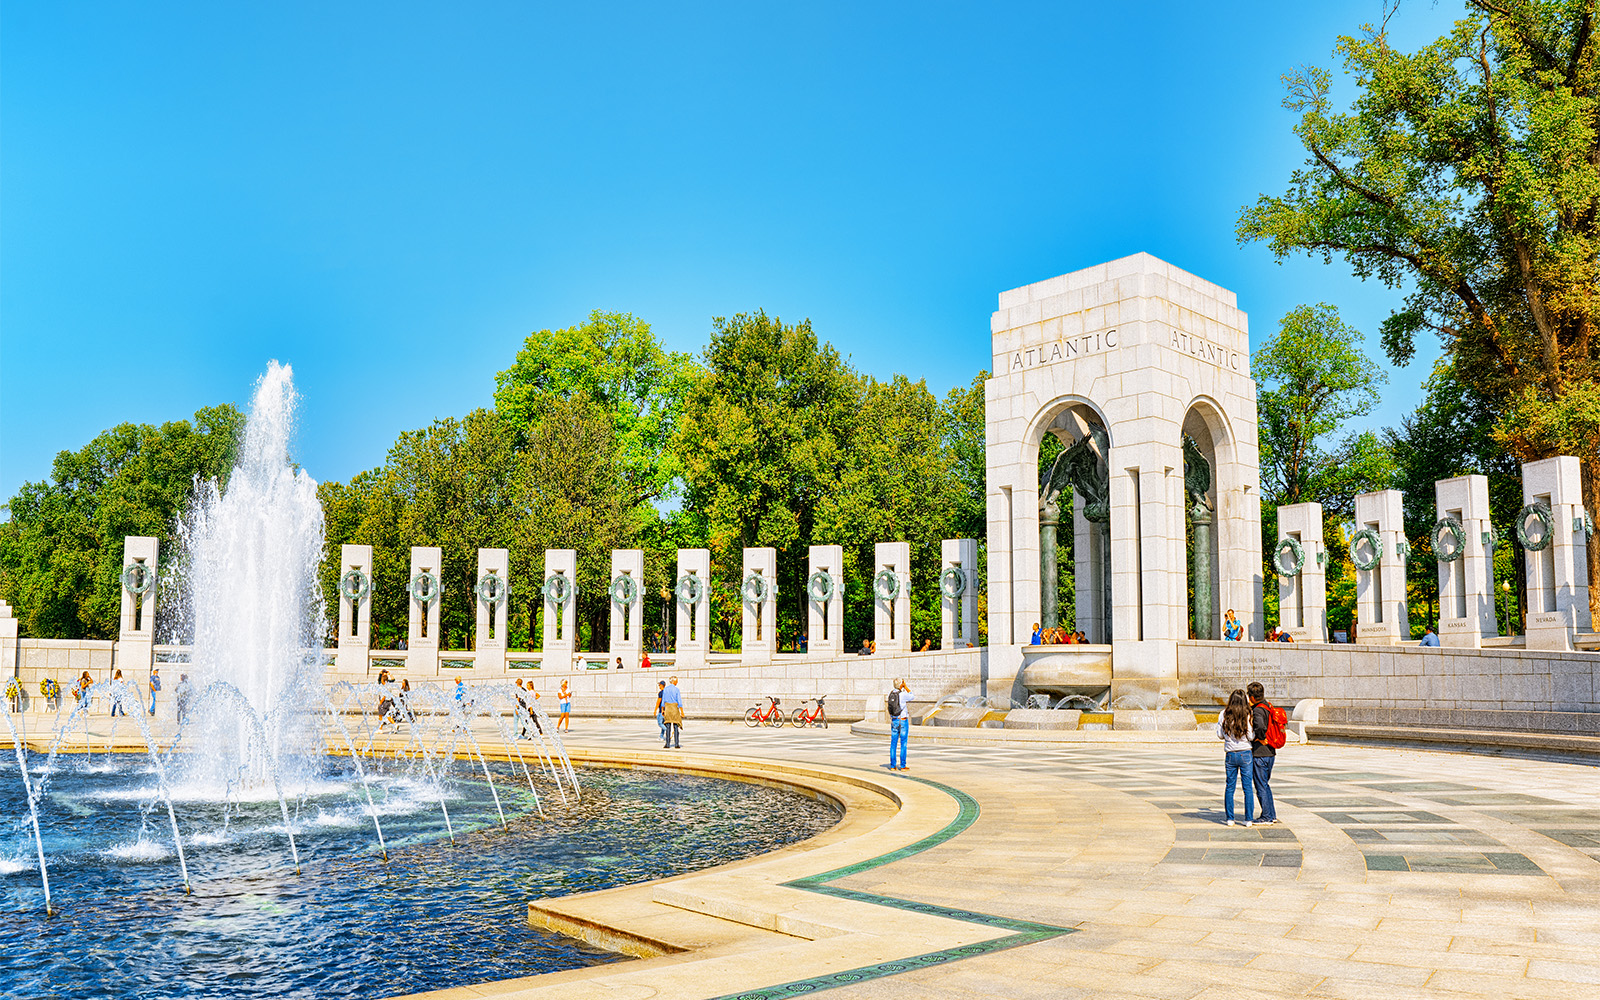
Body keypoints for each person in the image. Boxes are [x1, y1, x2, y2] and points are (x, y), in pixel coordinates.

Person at [1215, 688, 1254, 827]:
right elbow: (1250, 736)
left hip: (1231, 753)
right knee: (1247, 788)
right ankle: (1248, 819)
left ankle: (1230, 818)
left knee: (1230, 787)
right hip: (1245, 752)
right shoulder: (1247, 714)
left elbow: (1220, 735)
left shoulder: (1223, 714)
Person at [1247, 681, 1278, 825]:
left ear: (1252, 697)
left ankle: (1266, 816)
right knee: (1265, 785)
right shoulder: (1268, 705)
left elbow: (1260, 726)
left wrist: (1260, 737)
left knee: (1260, 786)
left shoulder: (1258, 710)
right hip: (1270, 752)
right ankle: (1271, 814)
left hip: (1260, 753)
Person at [887, 678, 914, 771]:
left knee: (893, 743)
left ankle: (892, 766)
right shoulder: (902, 694)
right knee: (903, 743)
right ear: (901, 685)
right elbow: (912, 696)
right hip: (902, 720)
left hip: (894, 720)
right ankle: (903, 766)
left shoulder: (891, 694)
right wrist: (906, 687)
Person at [661, 676, 683, 749]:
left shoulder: (665, 689)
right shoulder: (676, 690)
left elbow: (663, 700)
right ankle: (676, 744)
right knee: (676, 726)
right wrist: (682, 711)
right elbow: (679, 701)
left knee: (668, 727)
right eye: (676, 681)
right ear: (674, 681)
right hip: (674, 709)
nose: (677, 682)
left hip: (667, 709)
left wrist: (663, 710)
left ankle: (667, 744)